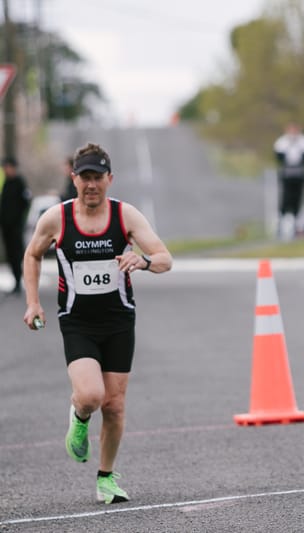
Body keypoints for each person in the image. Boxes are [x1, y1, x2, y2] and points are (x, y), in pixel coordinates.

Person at [22, 143, 173, 504]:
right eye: (85, 177)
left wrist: (143, 262)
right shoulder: (57, 218)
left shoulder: (125, 216)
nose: (91, 185)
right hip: (77, 322)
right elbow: (32, 254)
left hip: (118, 320)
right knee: (92, 395)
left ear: (110, 179)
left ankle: (105, 478)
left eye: (98, 177)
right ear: (73, 178)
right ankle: (79, 415)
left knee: (115, 405)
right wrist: (33, 303)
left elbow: (165, 258)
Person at [274, 123, 304, 241]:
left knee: (298, 199)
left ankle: (297, 225)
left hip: (299, 175)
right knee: (285, 199)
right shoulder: (282, 142)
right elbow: (279, 157)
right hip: (287, 175)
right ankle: (282, 224)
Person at [0, 156, 32, 295]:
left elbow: (26, 201)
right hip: (5, 225)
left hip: (16, 226)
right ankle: (15, 280)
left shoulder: (19, 182)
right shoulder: (5, 182)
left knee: (17, 253)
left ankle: (19, 281)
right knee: (10, 254)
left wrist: (19, 218)